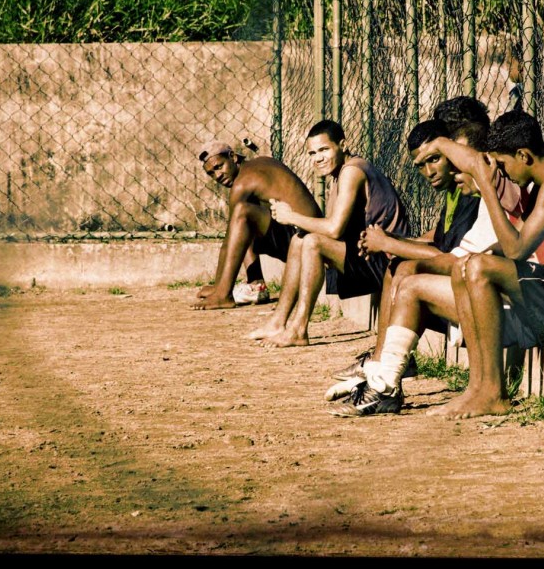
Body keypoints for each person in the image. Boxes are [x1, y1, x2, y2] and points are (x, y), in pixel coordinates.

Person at [336, 109, 544, 418]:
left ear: (523, 155)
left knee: (475, 266)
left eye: (502, 165)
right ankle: (471, 389)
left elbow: (515, 249)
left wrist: (482, 181)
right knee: (458, 269)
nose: (498, 171)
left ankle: (490, 391)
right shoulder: (538, 185)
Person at [326, 97, 492, 393]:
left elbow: (447, 256)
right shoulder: (459, 188)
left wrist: (390, 242)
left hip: (484, 294)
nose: (430, 170)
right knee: (397, 264)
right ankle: (380, 367)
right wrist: (395, 242)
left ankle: (384, 376)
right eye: (423, 163)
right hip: (465, 281)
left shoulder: (476, 191)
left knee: (405, 271)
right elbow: (443, 238)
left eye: (437, 155)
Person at [247, 120, 410, 347]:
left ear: (343, 145)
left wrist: (291, 217)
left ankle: (298, 328)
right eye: (312, 153)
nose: (318, 158)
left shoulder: (352, 171)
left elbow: (334, 229)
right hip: (368, 254)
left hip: (387, 261)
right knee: (299, 239)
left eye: (324, 149)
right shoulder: (341, 172)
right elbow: (334, 228)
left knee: (313, 242)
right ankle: (278, 321)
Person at [192, 140, 321, 310]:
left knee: (242, 214)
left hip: (306, 240)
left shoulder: (242, 184)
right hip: (305, 234)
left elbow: (229, 241)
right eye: (211, 174)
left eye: (219, 166)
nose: (218, 176)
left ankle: (224, 294)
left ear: (233, 157)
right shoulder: (261, 162)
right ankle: (256, 285)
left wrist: (220, 289)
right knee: (246, 217)